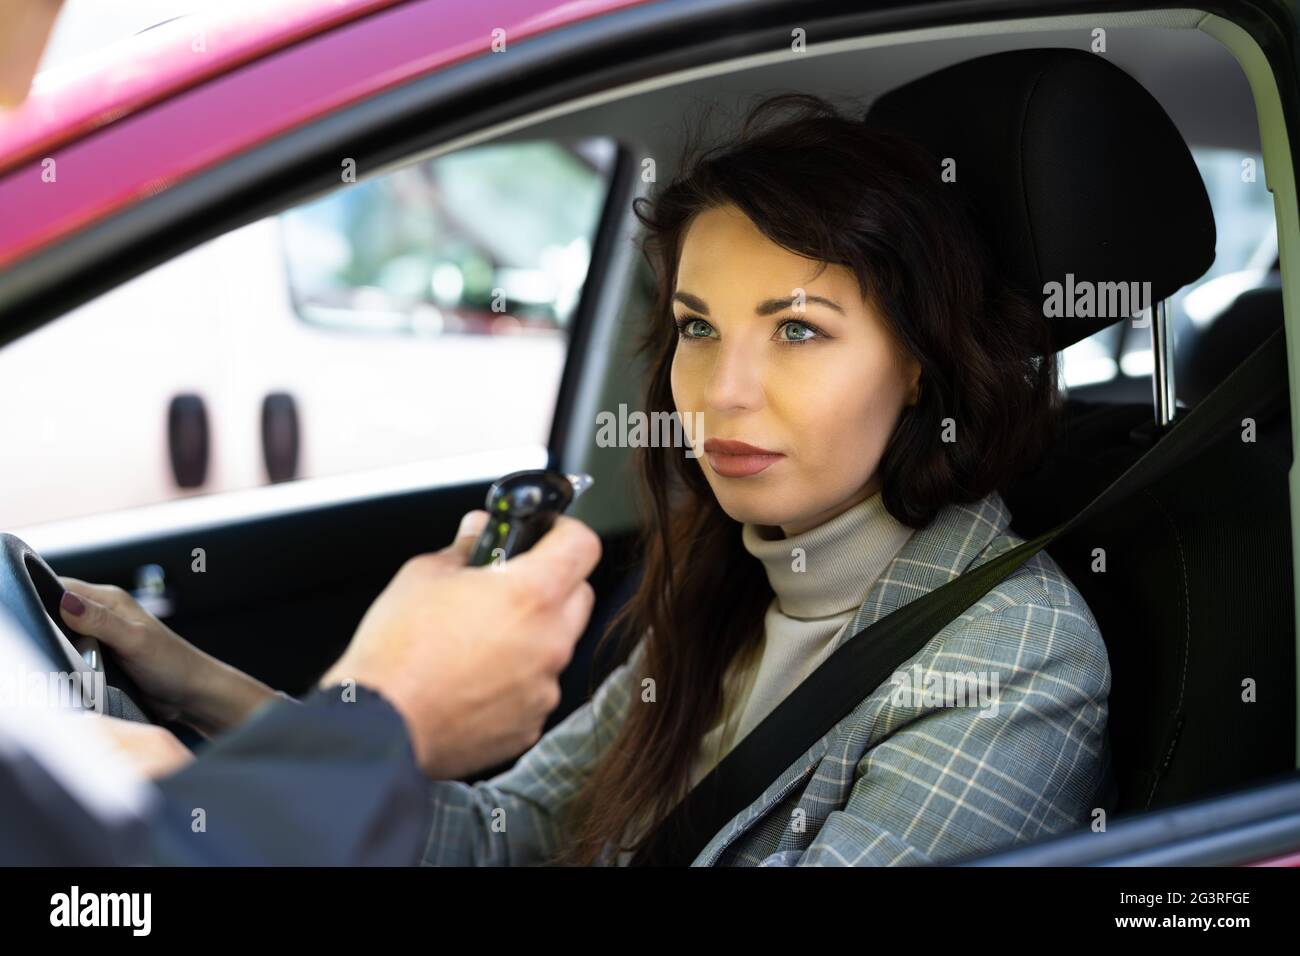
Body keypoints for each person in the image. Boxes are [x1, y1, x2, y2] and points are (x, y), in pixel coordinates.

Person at [62, 94, 1115, 867]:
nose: (723, 391)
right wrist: (179, 680)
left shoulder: (1011, 649)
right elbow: (503, 835)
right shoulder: (729, 585)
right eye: (699, 327)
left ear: (918, 362)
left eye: (798, 329)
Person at [0, 511, 600, 864]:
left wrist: (389, 715)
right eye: (693, 328)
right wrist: (197, 684)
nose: (701, 395)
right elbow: (511, 835)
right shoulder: (674, 648)